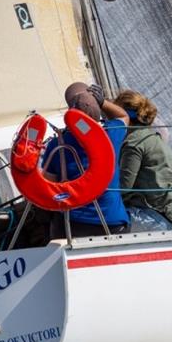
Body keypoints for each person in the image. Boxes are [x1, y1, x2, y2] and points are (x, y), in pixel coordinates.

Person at [43, 83, 130, 237]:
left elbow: (49, 185)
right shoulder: (112, 134)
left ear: (71, 112)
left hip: (74, 225)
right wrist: (103, 102)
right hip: (113, 222)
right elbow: (123, 116)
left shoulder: (57, 144)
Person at [114, 90, 172, 231]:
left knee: (106, 222)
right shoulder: (151, 136)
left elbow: (123, 187)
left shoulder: (134, 142)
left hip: (162, 218)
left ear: (125, 116)